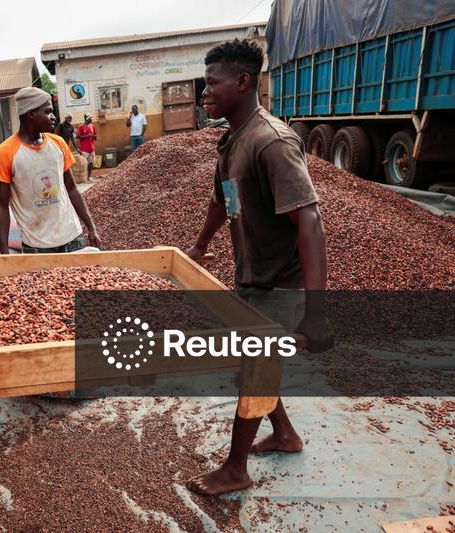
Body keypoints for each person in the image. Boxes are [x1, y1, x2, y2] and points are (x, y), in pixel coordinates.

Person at [185, 39, 333, 495]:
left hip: (281, 283)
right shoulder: (234, 139)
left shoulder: (272, 140)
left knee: (256, 369)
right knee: (256, 363)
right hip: (252, 273)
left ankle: (235, 469)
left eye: (212, 83)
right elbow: (223, 200)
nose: (203, 93)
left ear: (243, 82)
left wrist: (316, 311)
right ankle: (285, 434)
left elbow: (309, 221)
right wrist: (199, 246)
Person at [0, 87, 101, 254]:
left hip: (73, 239)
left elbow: (71, 189)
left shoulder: (58, 144)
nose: (53, 117)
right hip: (37, 247)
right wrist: (4, 253)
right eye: (48, 112)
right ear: (31, 114)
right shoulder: (5, 153)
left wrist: (91, 227)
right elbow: (1, 206)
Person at [76, 113, 98, 181]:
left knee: (91, 163)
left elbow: (95, 135)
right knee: (84, 164)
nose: (91, 119)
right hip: (84, 149)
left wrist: (95, 137)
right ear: (87, 118)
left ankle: (89, 177)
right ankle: (84, 177)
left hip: (91, 148)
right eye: (90, 118)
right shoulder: (81, 127)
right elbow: (78, 136)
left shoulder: (92, 126)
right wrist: (87, 136)